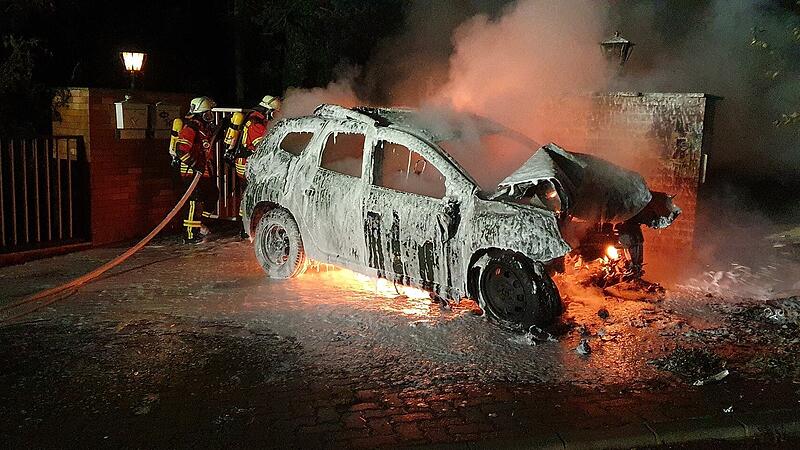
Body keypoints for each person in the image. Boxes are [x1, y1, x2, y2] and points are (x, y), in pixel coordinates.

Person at [223, 95, 281, 237]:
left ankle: (246, 227)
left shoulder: (256, 120)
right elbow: (262, 146)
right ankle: (245, 228)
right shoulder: (256, 124)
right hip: (246, 163)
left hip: (247, 162)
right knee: (248, 195)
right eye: (274, 113)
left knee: (247, 195)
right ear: (267, 110)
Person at [170, 96, 220, 244]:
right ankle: (190, 235)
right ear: (200, 114)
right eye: (207, 114)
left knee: (212, 194)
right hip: (190, 173)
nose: (210, 117)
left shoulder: (201, 128)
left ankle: (199, 224)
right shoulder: (190, 128)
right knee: (194, 202)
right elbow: (181, 150)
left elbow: (205, 145)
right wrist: (195, 164)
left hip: (202, 172)